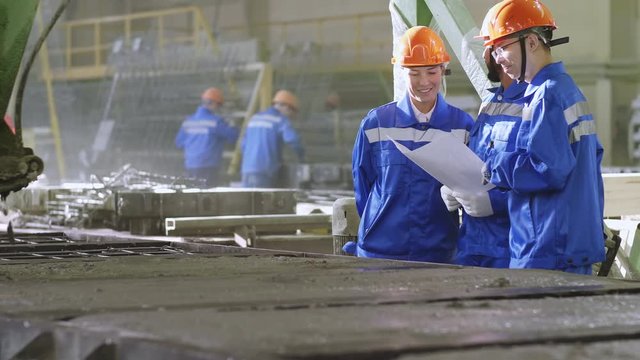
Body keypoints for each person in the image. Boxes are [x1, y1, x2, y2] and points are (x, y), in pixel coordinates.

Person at [479, 0, 605, 274]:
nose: (497, 58)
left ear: (532, 42)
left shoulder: (546, 95)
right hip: (564, 243)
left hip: (547, 247)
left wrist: (495, 165)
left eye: (502, 47)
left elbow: (547, 169)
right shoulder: (564, 90)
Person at [348, 26, 474, 263]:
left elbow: (472, 186)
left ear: (443, 70)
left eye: (431, 72)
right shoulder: (377, 123)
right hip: (380, 250)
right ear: (401, 72)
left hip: (439, 251)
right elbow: (362, 184)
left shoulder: (461, 125)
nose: (423, 82)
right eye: (414, 73)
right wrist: (376, 224)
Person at [439, 4, 528, 268]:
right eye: (489, 47)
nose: (490, 55)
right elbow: (477, 165)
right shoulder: (489, 105)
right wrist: (455, 188)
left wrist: (496, 202)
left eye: (495, 47)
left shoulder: (539, 104)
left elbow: (548, 180)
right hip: (472, 244)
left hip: (512, 248)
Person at [175, 87, 238, 187]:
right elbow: (233, 136)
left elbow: (179, 143)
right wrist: (233, 124)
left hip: (190, 166)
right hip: (208, 167)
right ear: (213, 103)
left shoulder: (188, 121)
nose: (218, 109)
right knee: (208, 197)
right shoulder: (215, 122)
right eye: (219, 105)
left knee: (193, 196)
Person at [240, 89, 304, 188]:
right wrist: (302, 156)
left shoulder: (254, 118)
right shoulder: (280, 120)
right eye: (292, 112)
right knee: (263, 202)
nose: (290, 116)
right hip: (265, 170)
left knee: (247, 202)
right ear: (287, 107)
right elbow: (293, 140)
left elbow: (243, 145)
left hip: (247, 169)